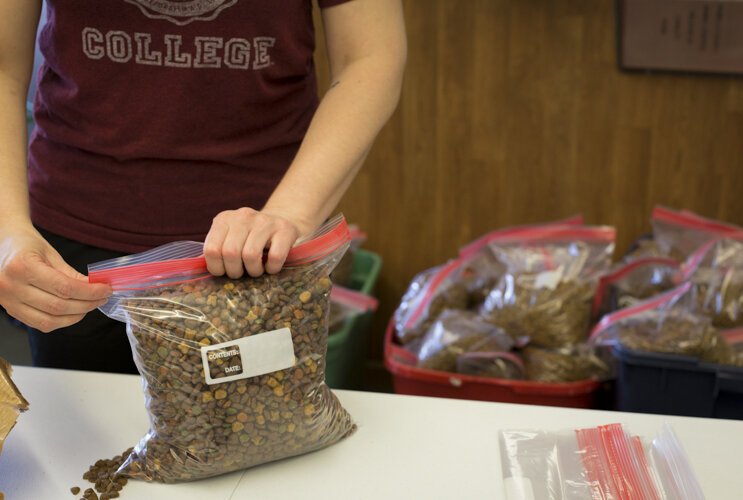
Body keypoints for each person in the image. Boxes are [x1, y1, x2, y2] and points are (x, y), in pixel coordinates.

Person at [0, 0, 407, 373]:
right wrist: (7, 229)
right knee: (80, 445)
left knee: (262, 439)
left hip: (260, 243)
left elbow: (369, 56)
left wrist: (290, 214)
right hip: (74, 238)